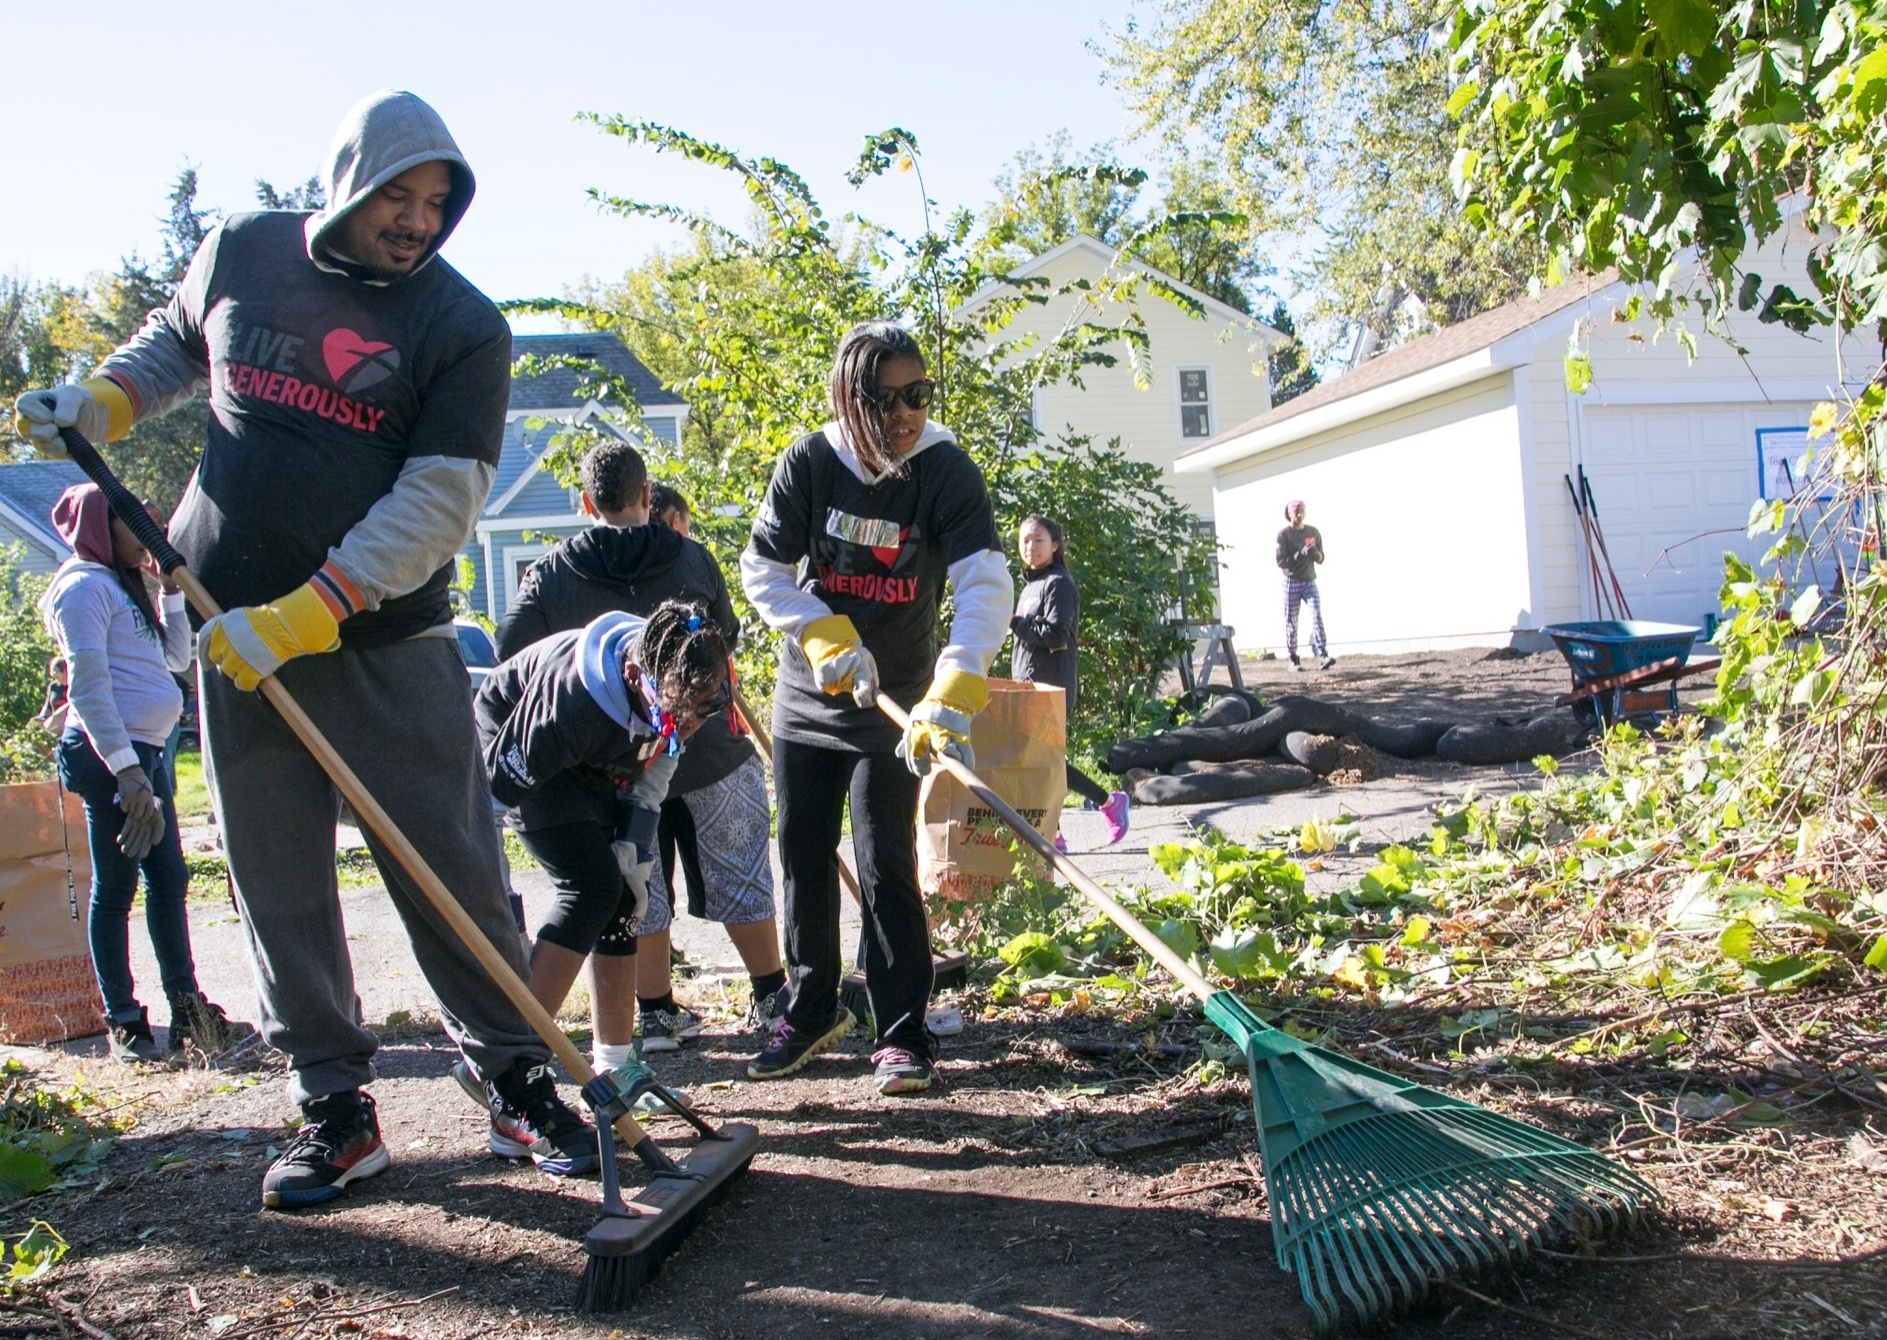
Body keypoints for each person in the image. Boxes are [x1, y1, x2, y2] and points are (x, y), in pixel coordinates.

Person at [13, 89, 596, 1209]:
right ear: (347, 177)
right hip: (232, 642)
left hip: (382, 639)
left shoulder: (460, 325)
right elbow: (172, 346)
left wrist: (305, 609)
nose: (418, 221)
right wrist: (95, 399)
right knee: (278, 880)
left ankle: (518, 1075)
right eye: (400, 195)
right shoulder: (244, 249)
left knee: (455, 871)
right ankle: (334, 1107)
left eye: (438, 204)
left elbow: (439, 504)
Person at [740, 320, 1012, 1095]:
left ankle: (900, 1031)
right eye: (883, 399)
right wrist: (820, 633)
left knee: (886, 860)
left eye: (916, 395)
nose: (902, 415)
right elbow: (762, 569)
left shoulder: (944, 471)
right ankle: (811, 1007)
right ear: (847, 399)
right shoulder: (810, 462)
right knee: (800, 850)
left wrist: (952, 691)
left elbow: (985, 588)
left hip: (897, 701)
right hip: (812, 690)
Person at [496, 442, 787, 1056]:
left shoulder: (550, 573)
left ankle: (647, 1024)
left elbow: (510, 645)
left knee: (634, 885)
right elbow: (507, 768)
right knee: (620, 886)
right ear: (648, 494)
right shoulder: (689, 560)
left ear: (584, 501)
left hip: (652, 749)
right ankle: (763, 997)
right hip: (603, 748)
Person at [474, 602, 731, 1090]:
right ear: (636, 676)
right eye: (679, 712)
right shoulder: (567, 709)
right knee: (590, 889)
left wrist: (635, 846)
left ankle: (616, 1070)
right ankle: (508, 1066)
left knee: (623, 900)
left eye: (707, 709)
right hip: (520, 750)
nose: (694, 723)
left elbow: (664, 754)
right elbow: (486, 804)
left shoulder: (692, 674)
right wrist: (494, 901)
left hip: (600, 760)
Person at [38, 483, 248, 1062]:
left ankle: (186, 1010)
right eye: (137, 525)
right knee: (118, 886)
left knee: (170, 880)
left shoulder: (123, 585)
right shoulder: (82, 588)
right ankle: (125, 1023)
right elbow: (87, 686)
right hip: (112, 760)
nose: (149, 537)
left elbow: (177, 659)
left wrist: (170, 594)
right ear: (103, 527)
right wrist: (126, 773)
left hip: (145, 755)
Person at [1010, 515, 1129, 848]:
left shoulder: (1059, 583)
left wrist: (1014, 622)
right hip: (1028, 687)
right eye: (1024, 540)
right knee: (1038, 762)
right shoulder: (1031, 585)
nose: (1030, 546)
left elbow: (1056, 634)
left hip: (1052, 688)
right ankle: (1082, 817)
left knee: (1042, 762)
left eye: (1038, 540)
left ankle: (1079, 819)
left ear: (1055, 545)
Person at [1276, 500, 1333, 671]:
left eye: (1302, 511)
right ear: (1289, 514)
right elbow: (1281, 562)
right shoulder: (1284, 535)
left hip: (1309, 580)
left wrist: (1315, 554)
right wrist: (1299, 555)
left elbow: (1322, 557)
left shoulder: (1313, 532)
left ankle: (1322, 652)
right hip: (1291, 582)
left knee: (1316, 613)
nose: (1299, 514)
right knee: (1291, 620)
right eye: (1296, 511)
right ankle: (1293, 657)